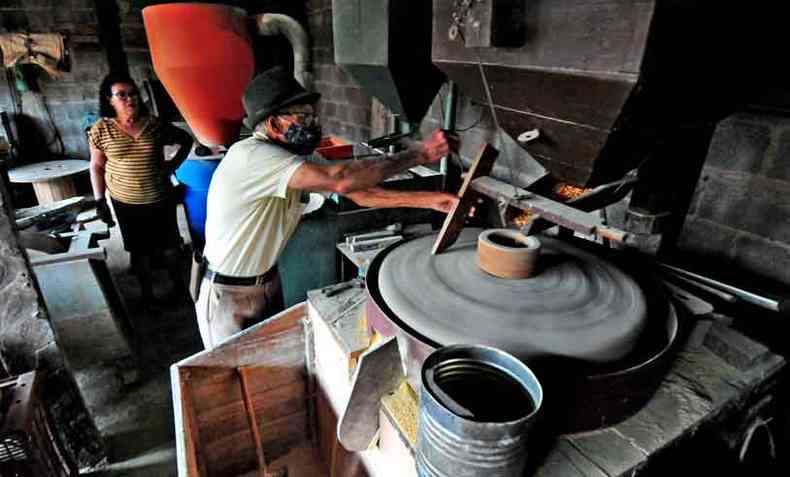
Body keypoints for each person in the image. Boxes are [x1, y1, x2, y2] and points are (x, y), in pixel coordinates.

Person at [195, 66, 459, 348]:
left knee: (273, 368)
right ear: (273, 125)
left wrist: (431, 200)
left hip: (267, 283)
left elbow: (360, 192)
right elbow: (341, 179)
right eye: (303, 116)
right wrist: (421, 153)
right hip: (228, 294)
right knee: (231, 379)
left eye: (313, 115)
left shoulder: (291, 157)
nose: (313, 123)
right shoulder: (254, 156)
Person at [88, 71, 194, 305]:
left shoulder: (154, 125)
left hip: (159, 196)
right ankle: (148, 296)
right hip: (125, 201)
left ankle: (179, 288)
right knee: (139, 251)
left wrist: (172, 164)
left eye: (133, 93)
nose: (130, 99)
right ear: (109, 100)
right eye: (122, 95)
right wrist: (99, 201)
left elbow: (186, 140)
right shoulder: (101, 129)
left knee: (170, 246)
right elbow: (96, 166)